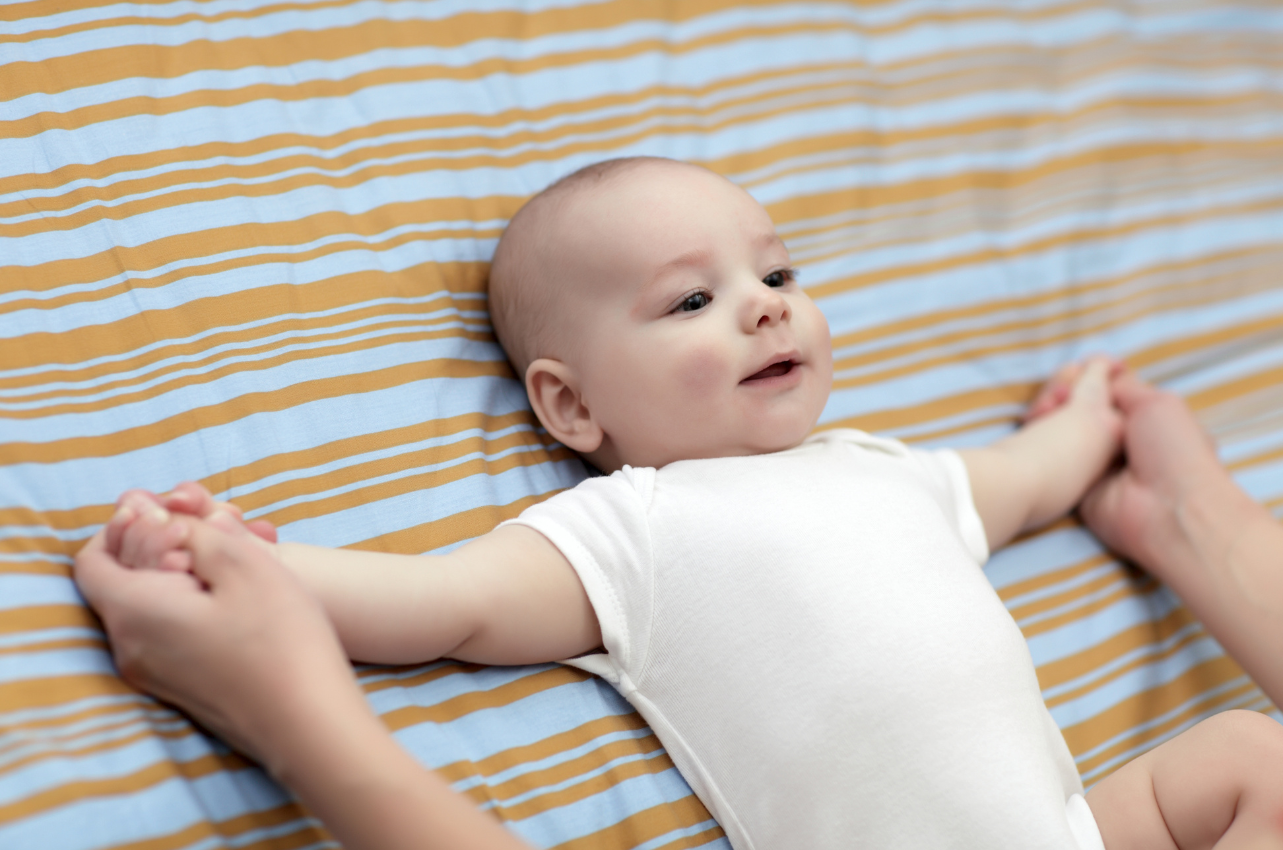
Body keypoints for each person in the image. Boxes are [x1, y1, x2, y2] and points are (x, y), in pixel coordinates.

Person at [73, 157, 1283, 850]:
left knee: (1248, 754)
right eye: (688, 302)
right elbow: (437, 601)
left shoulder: (886, 467)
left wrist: (1092, 418)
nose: (762, 304)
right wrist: (225, 555)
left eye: (774, 274)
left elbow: (1026, 482)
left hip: (1067, 833)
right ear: (570, 408)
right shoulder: (633, 529)